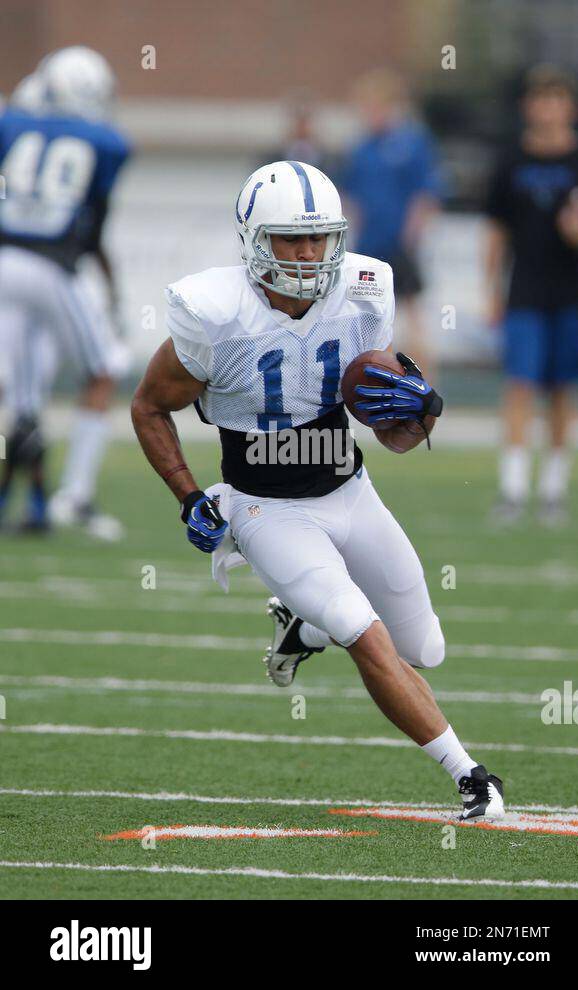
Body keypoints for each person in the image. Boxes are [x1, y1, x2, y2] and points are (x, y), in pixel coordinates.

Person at [131, 160, 505, 821]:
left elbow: (388, 432)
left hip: (349, 491)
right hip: (265, 508)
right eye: (289, 240)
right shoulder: (214, 312)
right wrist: (190, 496)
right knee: (364, 632)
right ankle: (472, 777)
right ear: (252, 239)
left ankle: (302, 625)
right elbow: (148, 407)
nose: (307, 255)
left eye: (317, 238)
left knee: (425, 649)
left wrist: (421, 415)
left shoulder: (364, 291)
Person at [0, 46, 131, 537]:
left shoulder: (13, 123)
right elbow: (93, 225)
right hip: (52, 267)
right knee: (105, 369)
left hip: (4, 261)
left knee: (22, 396)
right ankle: (73, 497)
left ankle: (32, 501)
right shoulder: (107, 141)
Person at [485, 65, 578, 525]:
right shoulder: (510, 160)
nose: (549, 109)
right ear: (529, 106)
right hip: (524, 289)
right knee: (519, 384)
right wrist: (489, 287)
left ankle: (553, 491)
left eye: (557, 99)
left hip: (572, 289)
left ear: (570, 108)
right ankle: (512, 489)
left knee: (561, 389)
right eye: (541, 99)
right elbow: (494, 230)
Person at [341, 68, 442, 376]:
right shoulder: (361, 148)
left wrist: (412, 236)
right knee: (365, 316)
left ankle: (425, 383)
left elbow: (425, 194)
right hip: (369, 245)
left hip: (399, 242)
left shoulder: (412, 143)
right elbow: (350, 195)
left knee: (412, 315)